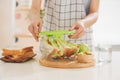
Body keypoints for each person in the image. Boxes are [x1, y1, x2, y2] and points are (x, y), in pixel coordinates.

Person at [28, 0, 99, 50]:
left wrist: (84, 23)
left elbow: (94, 12)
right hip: (50, 44)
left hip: (81, 42)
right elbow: (34, 8)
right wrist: (35, 18)